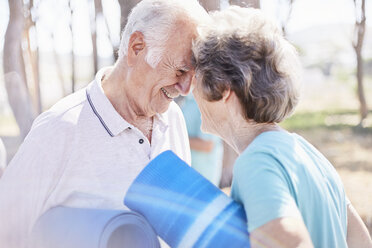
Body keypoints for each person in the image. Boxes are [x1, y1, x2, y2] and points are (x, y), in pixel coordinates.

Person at [0, 1, 209, 247]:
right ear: (136, 47)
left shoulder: (173, 120)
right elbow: (6, 232)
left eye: (193, 76)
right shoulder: (58, 129)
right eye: (181, 70)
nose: (186, 88)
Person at [191, 6, 372, 248]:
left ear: (224, 88)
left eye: (197, 77)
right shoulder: (309, 153)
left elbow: (291, 243)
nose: (190, 90)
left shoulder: (256, 161)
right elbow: (360, 240)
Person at [180, 94, 223, 186]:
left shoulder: (208, 102)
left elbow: (207, 145)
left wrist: (176, 138)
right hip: (188, 177)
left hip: (204, 180)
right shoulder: (188, 100)